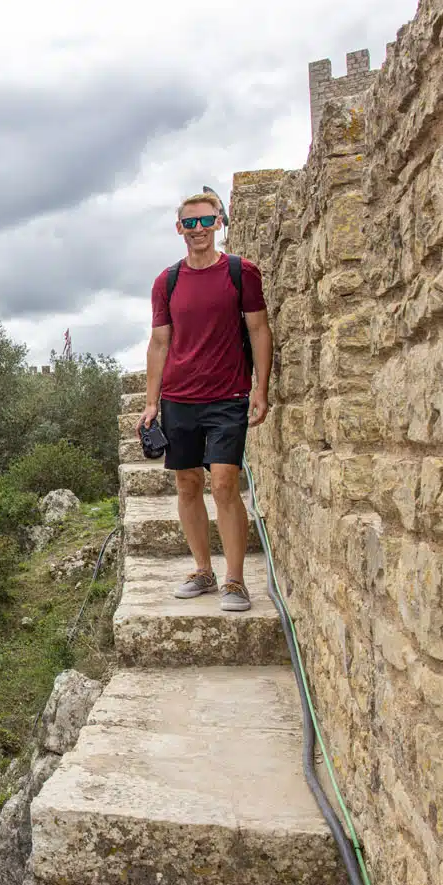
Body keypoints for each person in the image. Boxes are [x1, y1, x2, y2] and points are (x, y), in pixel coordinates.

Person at [139, 190, 272, 611]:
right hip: (180, 398)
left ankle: (235, 579)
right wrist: (151, 402)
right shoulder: (167, 282)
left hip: (228, 396)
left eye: (206, 220)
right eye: (190, 222)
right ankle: (202, 570)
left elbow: (259, 329)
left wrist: (261, 388)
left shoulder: (240, 272)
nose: (198, 229)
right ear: (179, 228)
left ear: (219, 222)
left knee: (225, 483)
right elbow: (159, 342)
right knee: (187, 483)